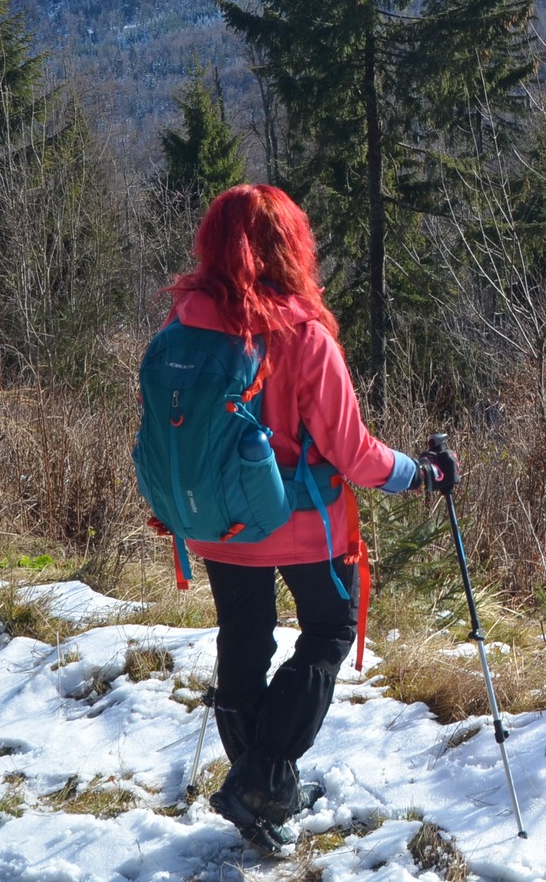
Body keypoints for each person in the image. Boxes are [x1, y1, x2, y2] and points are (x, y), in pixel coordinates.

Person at [162, 184, 457, 849]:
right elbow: (352, 453)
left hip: (214, 521)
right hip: (299, 524)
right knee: (328, 630)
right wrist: (420, 473)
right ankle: (264, 782)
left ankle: (257, 784)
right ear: (291, 246)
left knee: (244, 636)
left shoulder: (183, 324)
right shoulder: (303, 336)